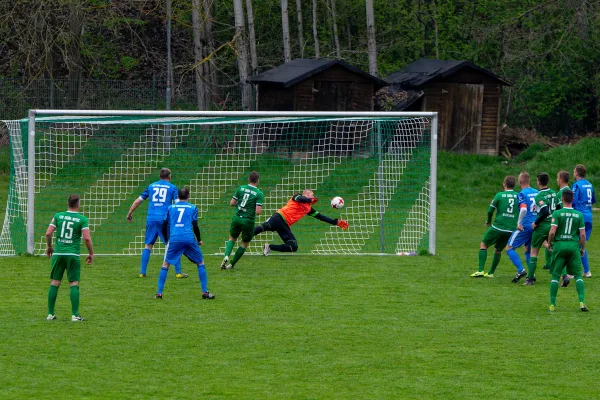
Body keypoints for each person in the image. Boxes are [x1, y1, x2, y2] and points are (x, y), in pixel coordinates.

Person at [126, 168, 187, 278]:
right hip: (164, 219)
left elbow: (138, 201)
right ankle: (178, 272)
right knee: (172, 244)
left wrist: (130, 212)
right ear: (169, 176)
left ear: (160, 176)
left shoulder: (151, 186)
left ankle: (142, 272)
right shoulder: (172, 188)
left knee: (148, 245)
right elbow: (178, 204)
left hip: (151, 218)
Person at [155, 187, 214, 300]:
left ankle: (159, 293)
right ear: (188, 196)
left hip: (175, 238)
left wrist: (167, 239)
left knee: (165, 264)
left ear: (177, 196)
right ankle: (205, 292)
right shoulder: (193, 208)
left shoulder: (170, 208)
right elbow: (195, 225)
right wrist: (199, 239)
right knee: (200, 262)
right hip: (188, 238)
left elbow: (164, 224)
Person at [45, 194, 94, 322]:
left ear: (67, 204)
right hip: (72, 254)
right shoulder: (82, 219)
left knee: (55, 282)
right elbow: (87, 238)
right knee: (73, 283)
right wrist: (91, 253)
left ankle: (50, 314)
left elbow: (48, 233)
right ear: (78, 205)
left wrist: (49, 247)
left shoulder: (58, 216)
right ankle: (75, 315)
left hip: (58, 253)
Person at [253, 189, 349, 254]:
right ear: (307, 194)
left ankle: (269, 247)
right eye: (312, 195)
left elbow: (321, 217)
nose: (313, 196)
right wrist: (309, 199)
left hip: (285, 225)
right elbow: (301, 199)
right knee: (262, 227)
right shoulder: (297, 197)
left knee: (293, 246)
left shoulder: (308, 208)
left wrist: (335, 222)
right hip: (278, 217)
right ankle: (244, 236)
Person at [547, 189, 588, 312]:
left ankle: (552, 305)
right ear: (573, 200)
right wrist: (582, 248)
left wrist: (549, 243)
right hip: (573, 246)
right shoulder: (579, 214)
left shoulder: (557, 213)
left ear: (562, 199)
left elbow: (552, 232)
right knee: (578, 276)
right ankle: (581, 302)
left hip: (559, 246)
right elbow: (582, 235)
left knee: (555, 276)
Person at [470, 176, 519, 278]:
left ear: (504, 184)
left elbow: (490, 210)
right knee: (498, 250)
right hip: (510, 229)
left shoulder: (499, 195)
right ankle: (491, 273)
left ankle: (480, 270)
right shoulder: (518, 196)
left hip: (498, 226)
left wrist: (488, 221)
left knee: (484, 244)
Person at [221, 171, 264, 270]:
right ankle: (231, 265)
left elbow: (232, 203)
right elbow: (258, 212)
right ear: (257, 181)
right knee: (244, 243)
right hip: (248, 221)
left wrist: (240, 206)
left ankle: (226, 255)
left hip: (237, 217)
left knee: (232, 238)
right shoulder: (259, 193)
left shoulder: (241, 188)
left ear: (249, 179)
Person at [524, 173, 557, 285]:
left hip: (542, 226)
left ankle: (530, 279)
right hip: (553, 225)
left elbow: (545, 211)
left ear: (538, 182)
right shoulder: (553, 193)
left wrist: (535, 222)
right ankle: (565, 276)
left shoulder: (539, 196)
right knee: (555, 250)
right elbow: (558, 208)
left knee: (534, 251)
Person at [505, 172, 537, 283]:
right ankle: (532, 274)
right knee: (528, 250)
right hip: (536, 225)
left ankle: (521, 270)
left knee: (509, 248)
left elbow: (523, 209)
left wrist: (519, 223)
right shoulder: (537, 192)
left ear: (520, 182)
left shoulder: (522, 194)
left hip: (526, 225)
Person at [572, 164, 596, 278]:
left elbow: (573, 201)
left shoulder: (576, 185)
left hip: (579, 217)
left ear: (576, 173)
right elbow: (593, 200)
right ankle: (587, 271)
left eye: (574, 171)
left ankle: (572, 272)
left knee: (573, 243)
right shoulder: (590, 185)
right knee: (580, 244)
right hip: (589, 217)